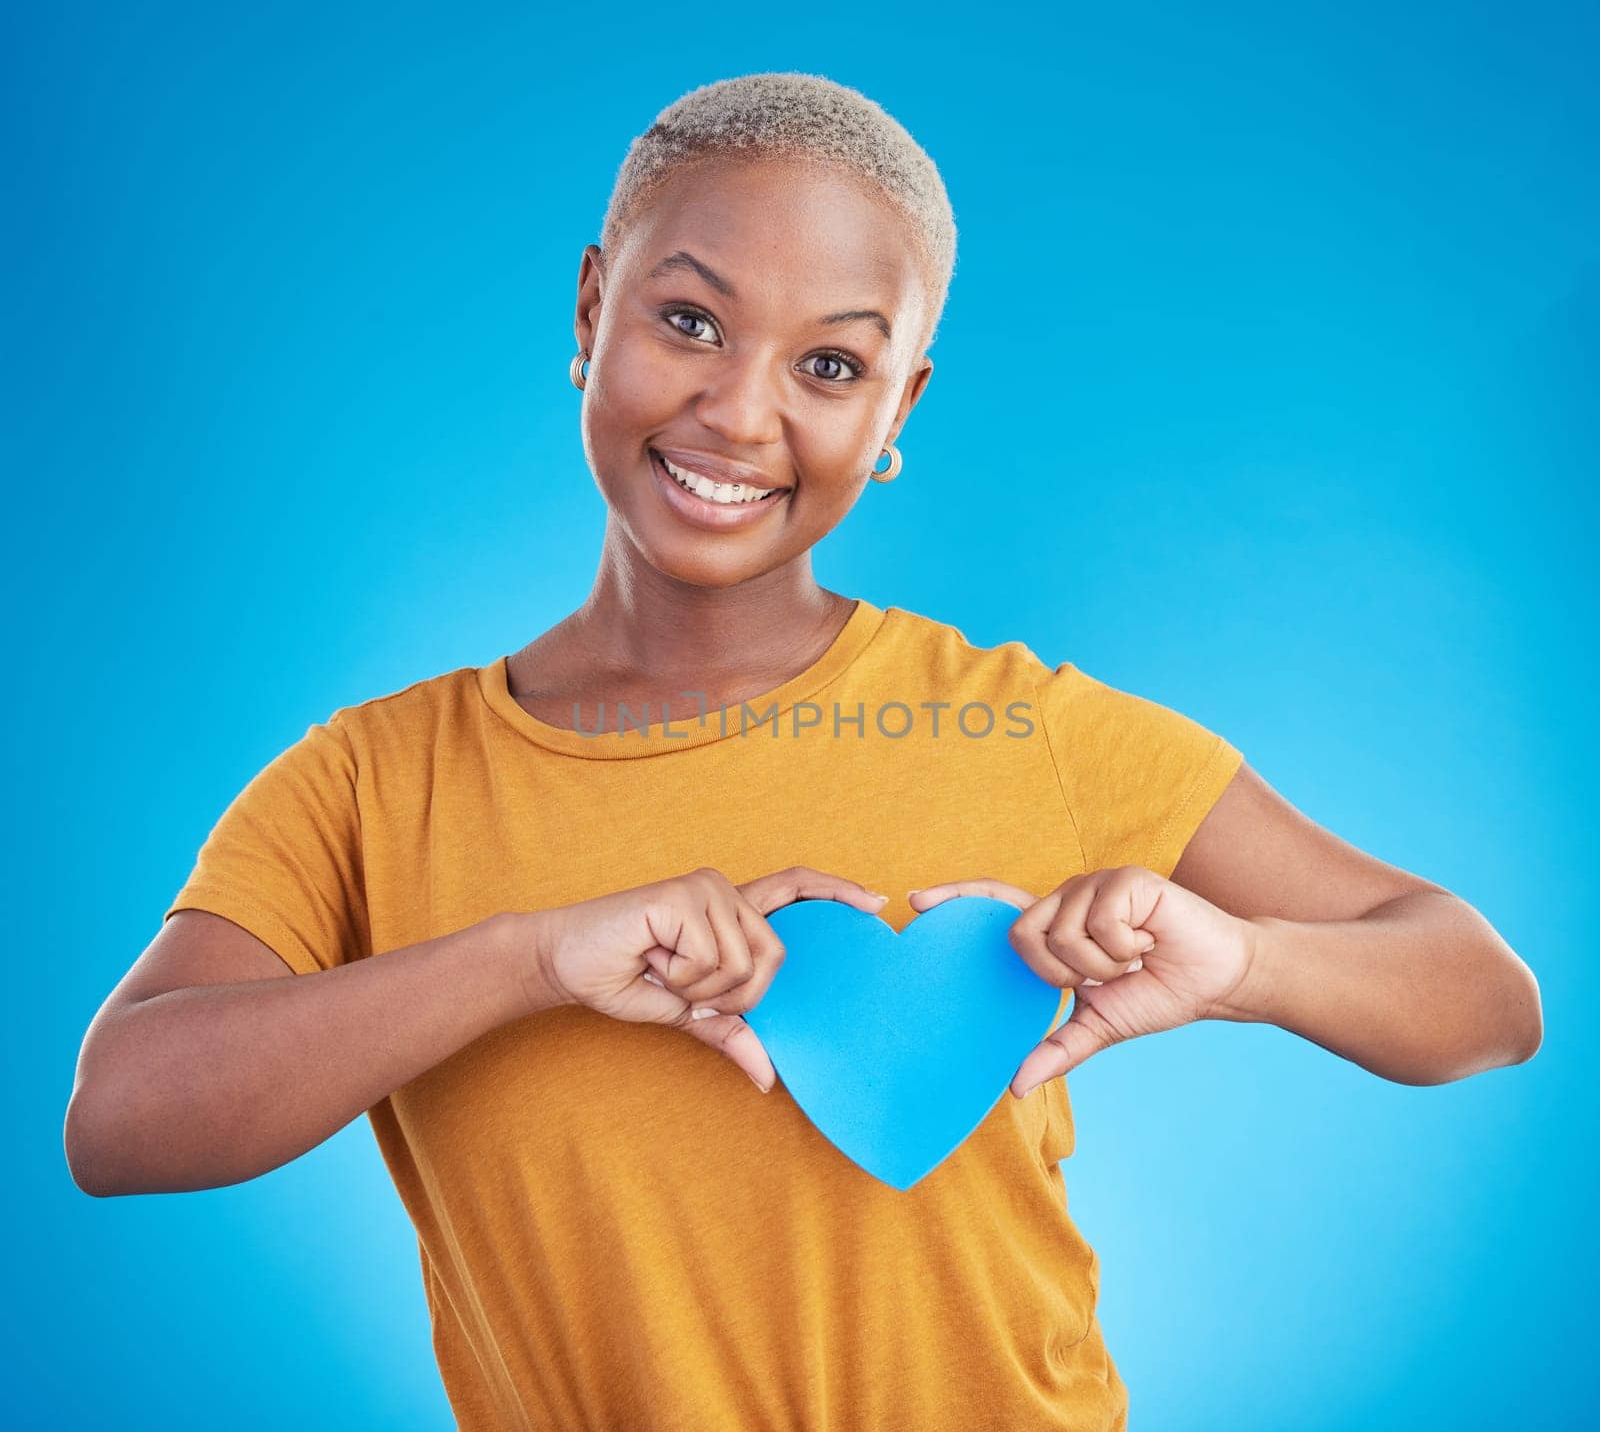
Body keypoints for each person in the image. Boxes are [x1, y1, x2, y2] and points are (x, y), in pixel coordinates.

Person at [65, 72, 1543, 1431]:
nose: (739, 409)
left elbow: (1483, 993)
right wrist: (522, 961)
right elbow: (121, 1115)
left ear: (900, 408)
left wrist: (1253, 966)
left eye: (832, 367)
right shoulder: (375, 783)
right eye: (690, 321)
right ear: (592, 308)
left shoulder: (1024, 725)